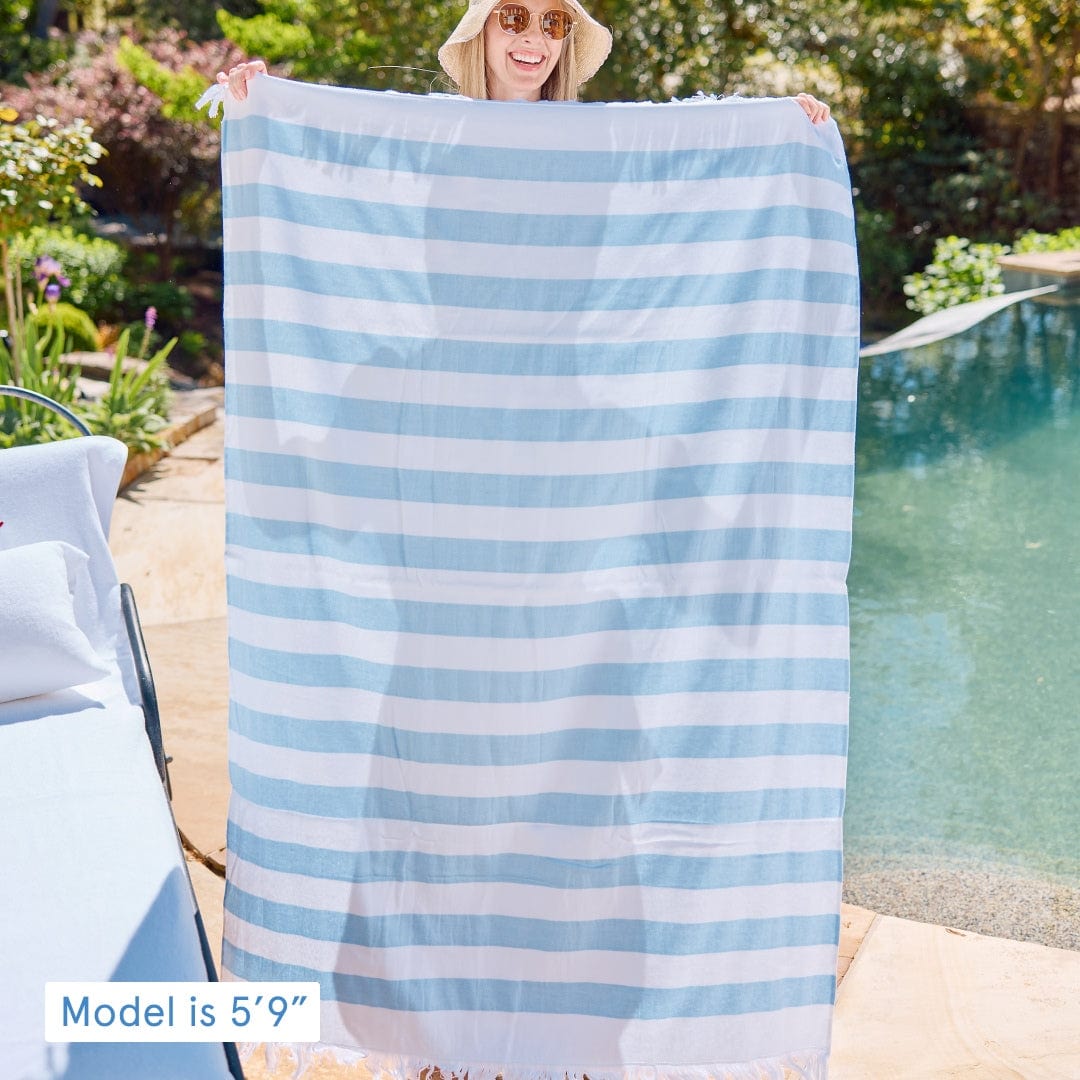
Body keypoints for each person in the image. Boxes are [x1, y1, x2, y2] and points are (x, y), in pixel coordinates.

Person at [218, 0, 831, 123]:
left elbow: (681, 145)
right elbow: (343, 159)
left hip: (563, 368)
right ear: (483, 32)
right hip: (461, 362)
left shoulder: (592, 136)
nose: (534, 36)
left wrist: (777, 123)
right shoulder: (430, 128)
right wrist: (261, 102)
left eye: (553, 22)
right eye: (513, 16)